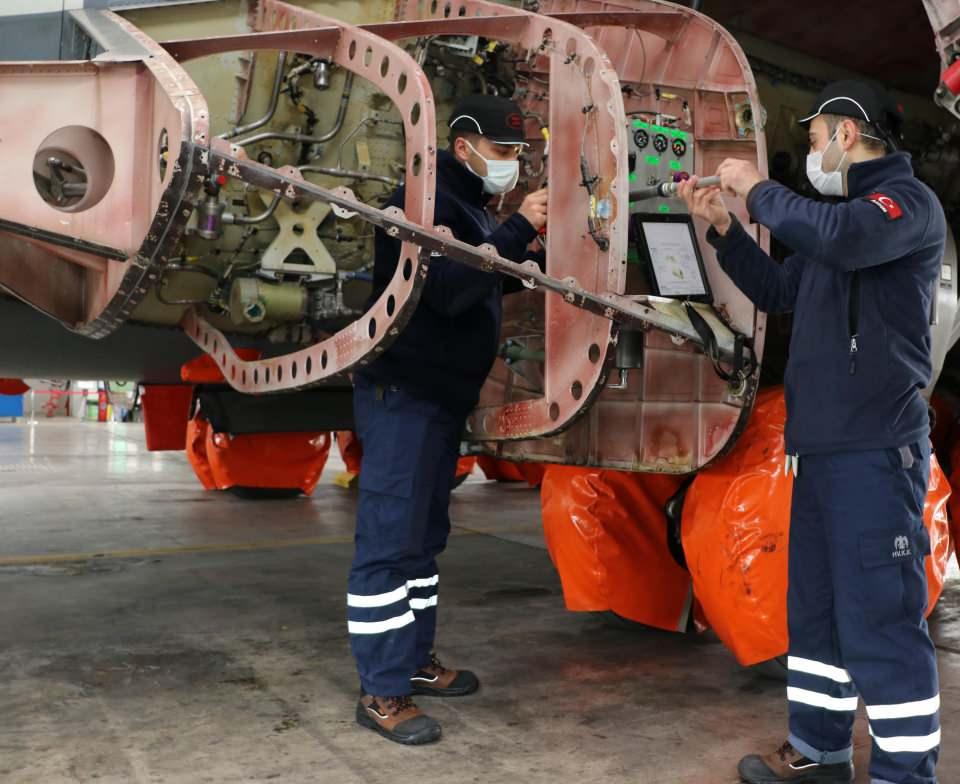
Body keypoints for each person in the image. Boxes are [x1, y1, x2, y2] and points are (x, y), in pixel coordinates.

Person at [680, 80, 946, 784]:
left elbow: (841, 238)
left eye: (819, 132)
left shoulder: (900, 208)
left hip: (875, 452)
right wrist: (724, 229)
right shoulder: (838, 220)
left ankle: (904, 772)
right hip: (820, 452)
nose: (814, 148)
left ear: (848, 134)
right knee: (819, 617)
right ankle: (819, 751)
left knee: (882, 622)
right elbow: (779, 291)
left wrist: (758, 189)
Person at [347, 94, 548, 745]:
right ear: (463, 147)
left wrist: (522, 266)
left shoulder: (467, 207)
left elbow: (475, 283)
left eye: (518, 152)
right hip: (403, 397)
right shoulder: (424, 200)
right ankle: (381, 691)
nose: (512, 164)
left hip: (438, 403)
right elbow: (451, 288)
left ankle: (413, 661)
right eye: (503, 151)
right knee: (389, 543)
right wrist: (517, 231)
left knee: (424, 540)